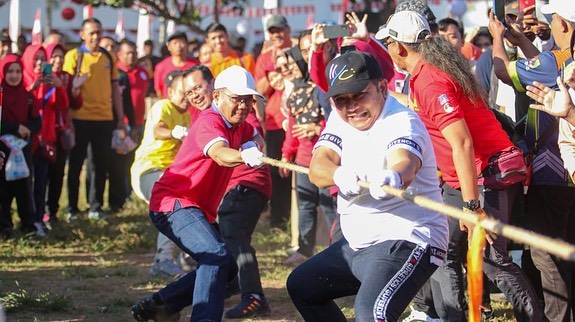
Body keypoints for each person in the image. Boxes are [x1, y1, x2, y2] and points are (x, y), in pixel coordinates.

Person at [378, 11, 544, 321]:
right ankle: (450, 317)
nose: (387, 49)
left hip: (484, 177)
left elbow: (463, 143)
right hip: (465, 180)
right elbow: (417, 107)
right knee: (441, 251)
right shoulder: (423, 74)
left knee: (493, 259)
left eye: (387, 43)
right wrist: (378, 93)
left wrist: (471, 206)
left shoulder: (430, 79)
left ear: (399, 47)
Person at [286, 51, 448, 321]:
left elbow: (405, 161)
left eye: (359, 95)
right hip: (358, 245)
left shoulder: (402, 121)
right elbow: (318, 166)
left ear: (382, 87)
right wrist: (340, 175)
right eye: (341, 100)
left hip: (408, 237)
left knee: (373, 313)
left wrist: (394, 177)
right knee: (302, 286)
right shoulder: (340, 118)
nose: (351, 107)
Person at [130, 65, 266, 321]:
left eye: (248, 100)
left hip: (194, 208)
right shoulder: (209, 121)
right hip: (172, 203)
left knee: (226, 269)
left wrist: (253, 144)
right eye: (237, 99)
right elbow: (220, 154)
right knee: (214, 255)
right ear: (217, 97)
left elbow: (257, 137)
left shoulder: (240, 125)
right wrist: (243, 155)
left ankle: (161, 304)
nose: (244, 106)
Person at [491, 0, 575, 319]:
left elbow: (502, 71)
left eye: (550, 20)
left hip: (552, 174)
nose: (546, 25)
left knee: (547, 258)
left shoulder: (557, 60)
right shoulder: (565, 60)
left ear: (563, 25)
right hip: (568, 174)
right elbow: (543, 68)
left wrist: (497, 36)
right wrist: (524, 41)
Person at [131, 70, 195, 278]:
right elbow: (158, 130)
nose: (186, 97)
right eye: (181, 93)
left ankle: (187, 257)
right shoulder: (163, 106)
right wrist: (173, 132)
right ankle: (163, 259)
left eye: (189, 93)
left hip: (172, 174)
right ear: (170, 92)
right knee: (172, 201)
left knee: (191, 203)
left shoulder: (187, 115)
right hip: (149, 169)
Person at [280, 45, 339, 266]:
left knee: (328, 206)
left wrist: (317, 130)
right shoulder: (296, 93)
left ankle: (337, 249)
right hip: (303, 161)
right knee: (305, 206)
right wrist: (286, 154)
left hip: (323, 159)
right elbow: (292, 128)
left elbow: (334, 121)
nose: (290, 69)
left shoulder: (321, 90)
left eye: (293, 64)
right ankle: (304, 249)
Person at [62, 18, 126, 220]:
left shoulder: (108, 56)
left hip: (104, 119)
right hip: (79, 118)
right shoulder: (74, 56)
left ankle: (95, 207)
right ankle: (72, 208)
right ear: (82, 34)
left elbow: (116, 90)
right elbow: (65, 90)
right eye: (91, 33)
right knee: (75, 164)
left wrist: (120, 118)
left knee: (100, 165)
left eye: (98, 32)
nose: (95, 36)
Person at [21, 44, 69, 236]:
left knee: (41, 183)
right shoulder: (22, 77)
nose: (39, 62)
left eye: (43, 58)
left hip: (45, 140)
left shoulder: (51, 81)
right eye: (36, 58)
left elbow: (62, 105)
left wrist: (59, 87)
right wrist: (32, 88)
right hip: (25, 140)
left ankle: (38, 220)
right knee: (25, 185)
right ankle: (25, 221)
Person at [0, 54, 41, 239]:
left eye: (17, 71)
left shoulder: (27, 96)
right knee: (3, 190)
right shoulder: (1, 95)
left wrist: (27, 129)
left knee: (25, 189)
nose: (14, 76)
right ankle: (4, 227)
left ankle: (28, 226)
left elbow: (36, 122)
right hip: (3, 149)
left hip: (23, 150)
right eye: (10, 71)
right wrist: (15, 127)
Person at [43, 43, 85, 226]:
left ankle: (52, 211)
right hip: (45, 133)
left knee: (58, 173)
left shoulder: (67, 78)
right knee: (43, 175)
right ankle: (41, 212)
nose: (58, 60)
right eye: (54, 56)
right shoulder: (42, 77)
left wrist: (74, 90)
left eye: (61, 56)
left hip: (62, 133)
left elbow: (74, 105)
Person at [153, 32, 198, 98]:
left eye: (182, 42)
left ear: (187, 45)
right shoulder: (160, 67)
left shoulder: (196, 65)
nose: (178, 46)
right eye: (175, 43)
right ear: (169, 47)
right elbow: (158, 89)